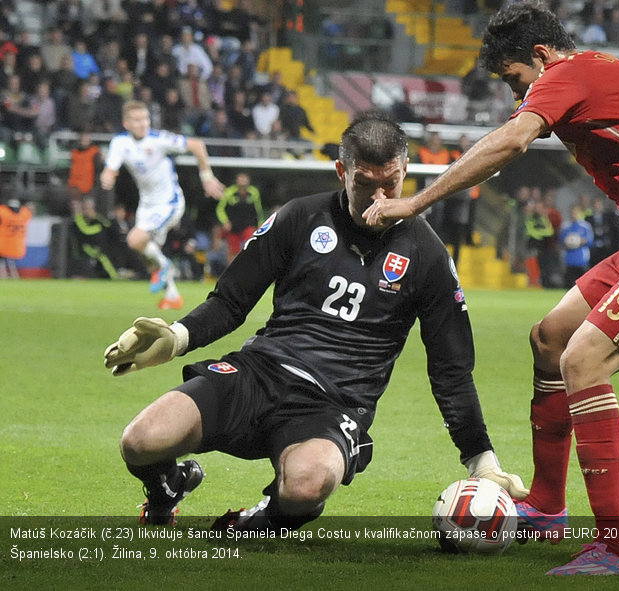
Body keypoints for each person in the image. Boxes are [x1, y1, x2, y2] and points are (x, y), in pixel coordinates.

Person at [363, 2, 619, 576]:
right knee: (552, 337)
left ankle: (615, 550)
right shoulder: (618, 78)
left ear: (540, 57)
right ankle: (546, 505)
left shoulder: (569, 77)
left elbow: (512, 143)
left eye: (516, 79)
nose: (519, 96)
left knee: (583, 361)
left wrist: (411, 203)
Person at [103, 111, 528, 532]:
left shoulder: (428, 256)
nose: (380, 198)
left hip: (334, 403)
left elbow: (451, 369)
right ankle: (167, 488)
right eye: (365, 184)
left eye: (391, 183)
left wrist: (481, 459)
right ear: (341, 171)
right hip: (260, 372)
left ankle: (258, 522)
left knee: (308, 485)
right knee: (140, 441)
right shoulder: (300, 217)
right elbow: (231, 301)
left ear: (405, 171)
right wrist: (177, 337)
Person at [100, 100, 225, 310]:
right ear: (126, 123)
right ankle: (173, 296)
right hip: (147, 205)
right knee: (149, 255)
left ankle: (167, 266)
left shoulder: (159, 139)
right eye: (137, 120)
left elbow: (197, 145)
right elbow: (111, 167)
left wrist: (206, 177)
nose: (143, 124)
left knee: (134, 240)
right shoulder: (120, 143)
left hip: (169, 203)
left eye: (145, 119)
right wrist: (107, 176)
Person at [216, 172, 264, 263]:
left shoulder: (253, 192)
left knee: (252, 247)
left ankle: (251, 271)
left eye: (244, 180)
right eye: (240, 180)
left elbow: (258, 210)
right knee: (233, 251)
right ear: (236, 181)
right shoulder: (229, 192)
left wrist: (260, 224)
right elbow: (220, 209)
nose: (242, 182)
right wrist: (225, 221)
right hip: (233, 226)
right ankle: (231, 273)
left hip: (248, 224)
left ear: (248, 181)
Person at [0, 197, 33, 279]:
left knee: (3, 260)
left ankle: (3, 275)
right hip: (17, 246)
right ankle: (13, 276)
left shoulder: (3, 213)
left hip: (3, 244)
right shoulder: (24, 214)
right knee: (11, 261)